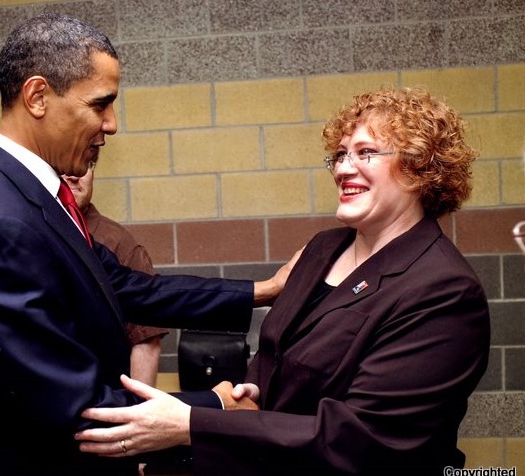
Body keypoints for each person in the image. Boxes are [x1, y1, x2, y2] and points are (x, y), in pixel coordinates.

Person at [0, 13, 289, 476]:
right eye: (101, 105)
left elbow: (124, 287)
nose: (112, 124)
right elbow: (78, 407)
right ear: (38, 96)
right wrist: (213, 409)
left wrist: (262, 291)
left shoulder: (33, 195)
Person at [75, 87, 492, 476]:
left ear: (420, 169)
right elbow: (268, 373)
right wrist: (204, 419)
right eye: (340, 155)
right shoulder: (323, 249)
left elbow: (363, 441)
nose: (344, 168)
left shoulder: (443, 290)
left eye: (366, 153)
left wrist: (193, 425)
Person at [62, 161, 168, 387]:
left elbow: (145, 339)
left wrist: (139, 410)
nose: (74, 175)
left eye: (84, 165)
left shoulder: (118, 242)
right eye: (64, 166)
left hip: (104, 398)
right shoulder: (32, 231)